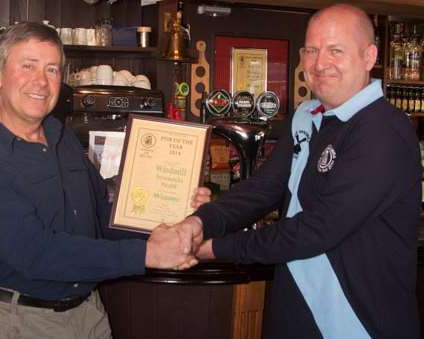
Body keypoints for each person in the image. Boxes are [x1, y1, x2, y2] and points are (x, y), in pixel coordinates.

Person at [0, 22, 206, 339]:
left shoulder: (63, 139)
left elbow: (102, 219)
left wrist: (170, 217)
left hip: (88, 314)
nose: (41, 81)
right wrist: (148, 254)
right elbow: (37, 253)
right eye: (28, 66)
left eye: (52, 69)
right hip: (20, 322)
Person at [180, 4, 421, 338]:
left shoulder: (383, 131)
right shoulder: (307, 116)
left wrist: (215, 248)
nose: (320, 64)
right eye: (311, 50)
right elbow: (263, 189)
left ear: (369, 56)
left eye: (336, 50)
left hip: (358, 320)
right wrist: (200, 221)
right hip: (296, 310)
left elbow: (318, 229)